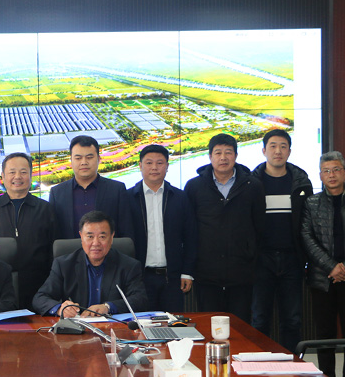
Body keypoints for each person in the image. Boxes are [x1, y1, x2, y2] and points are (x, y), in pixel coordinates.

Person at [301, 151, 345, 377]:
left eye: (336, 170)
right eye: (326, 171)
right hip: (323, 278)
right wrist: (332, 267)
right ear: (320, 175)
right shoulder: (311, 203)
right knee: (324, 334)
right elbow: (307, 237)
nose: (332, 175)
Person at [184, 134, 265, 323]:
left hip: (242, 271)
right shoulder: (194, 186)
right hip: (206, 271)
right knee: (209, 324)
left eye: (228, 152)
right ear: (209, 156)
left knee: (240, 325)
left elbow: (260, 227)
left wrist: (251, 257)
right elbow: (189, 229)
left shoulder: (252, 186)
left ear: (236, 156)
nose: (223, 157)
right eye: (218, 153)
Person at [250, 130, 313, 352]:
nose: (278, 151)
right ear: (264, 150)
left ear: (289, 151)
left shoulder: (301, 183)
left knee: (292, 320)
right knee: (259, 319)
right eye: (273, 146)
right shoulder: (252, 183)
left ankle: (292, 367)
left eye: (283, 146)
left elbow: (308, 222)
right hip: (261, 259)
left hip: (292, 259)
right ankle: (258, 366)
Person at [32, 211, 148, 317]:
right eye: (90, 237)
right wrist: (60, 309)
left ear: (112, 237)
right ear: (81, 236)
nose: (96, 243)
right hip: (77, 329)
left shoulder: (128, 265)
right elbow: (39, 298)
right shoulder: (64, 265)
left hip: (113, 328)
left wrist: (108, 307)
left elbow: (140, 300)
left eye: (102, 237)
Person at [0, 152, 55, 310]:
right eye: (12, 172)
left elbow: (53, 250)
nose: (17, 177)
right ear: (3, 176)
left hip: (38, 286)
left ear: (31, 175)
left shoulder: (46, 209)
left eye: (23, 172)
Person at [127, 144, 197, 312]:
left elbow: (191, 237)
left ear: (167, 166)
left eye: (159, 163)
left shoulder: (180, 197)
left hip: (172, 278)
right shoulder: (128, 198)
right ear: (140, 166)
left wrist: (187, 272)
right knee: (142, 324)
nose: (154, 167)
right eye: (149, 163)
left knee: (173, 323)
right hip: (139, 278)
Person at [49, 135, 133, 240]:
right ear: (71, 160)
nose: (84, 162)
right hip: (70, 251)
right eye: (78, 158)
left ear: (98, 159)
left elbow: (126, 232)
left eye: (89, 157)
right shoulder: (57, 193)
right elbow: (53, 234)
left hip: (108, 250)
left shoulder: (117, 190)